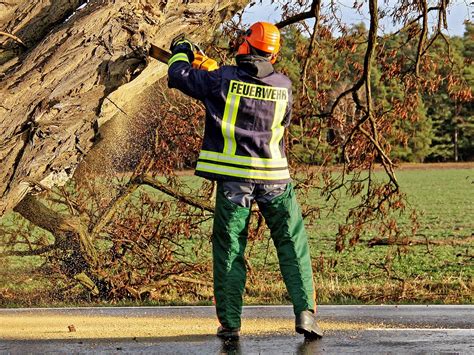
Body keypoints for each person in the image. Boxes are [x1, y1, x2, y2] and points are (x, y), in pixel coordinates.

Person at [167, 22, 323, 340]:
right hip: (275, 178)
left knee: (230, 248)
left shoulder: (221, 79)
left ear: (245, 45)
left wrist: (181, 52)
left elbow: (179, 76)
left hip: (234, 182)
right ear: (274, 54)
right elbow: (279, 117)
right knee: (292, 244)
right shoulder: (284, 85)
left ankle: (231, 324)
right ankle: (306, 315)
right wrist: (217, 72)